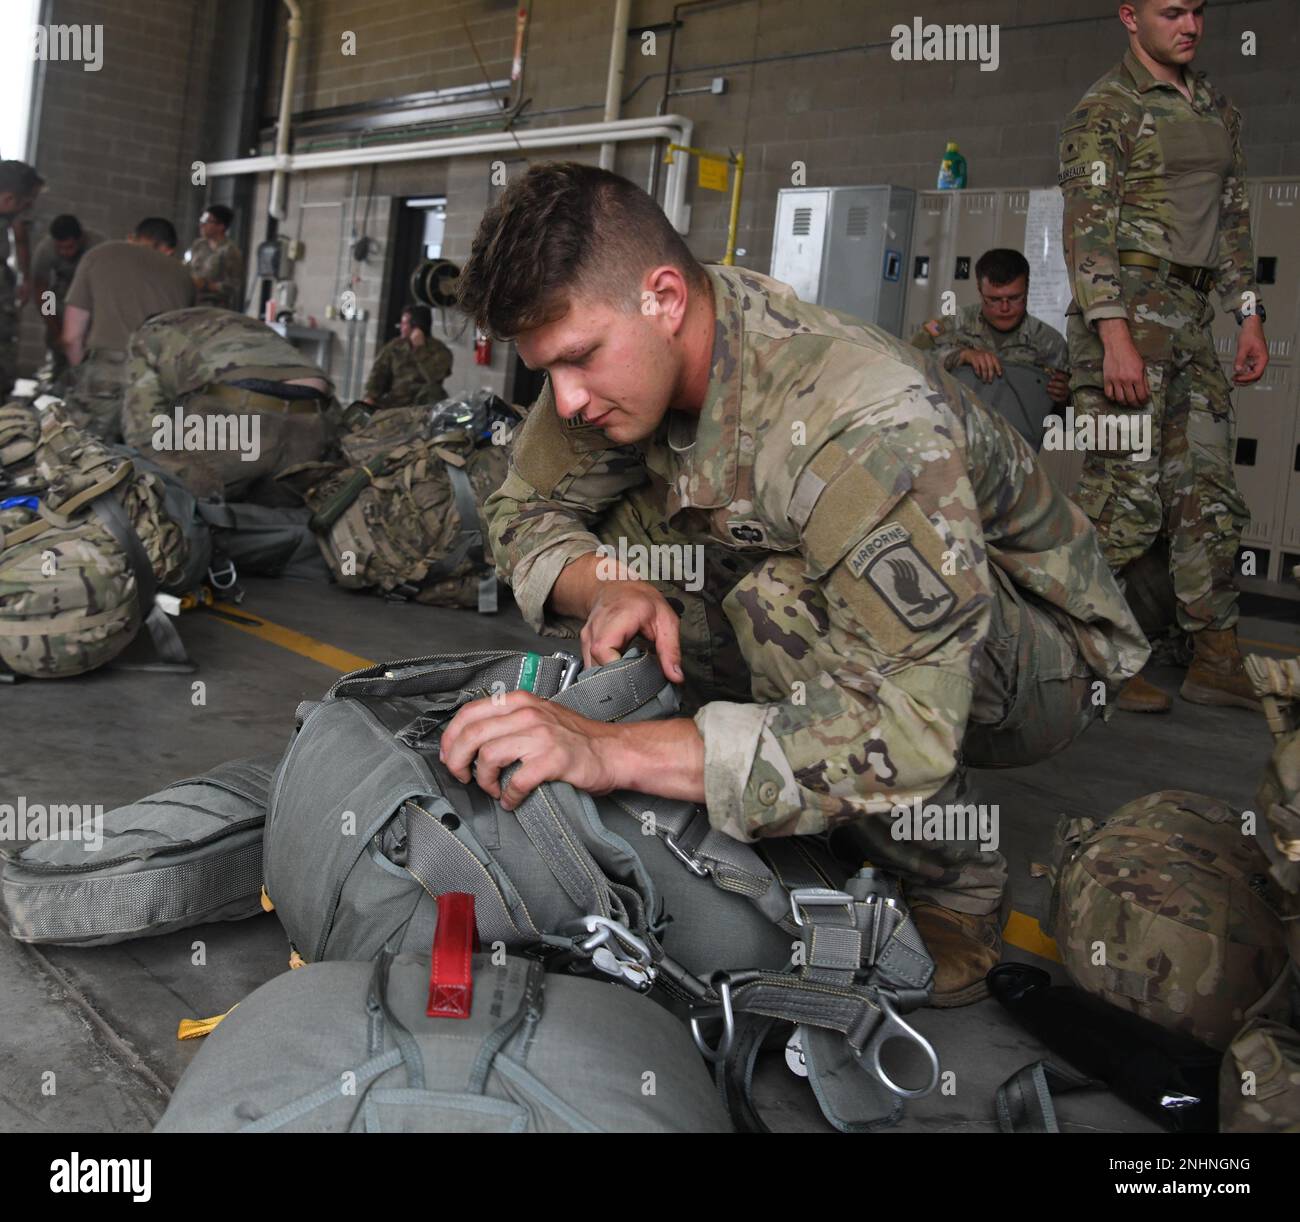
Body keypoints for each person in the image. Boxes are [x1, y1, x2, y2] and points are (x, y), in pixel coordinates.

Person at [440, 162, 1148, 1007]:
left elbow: (910, 719)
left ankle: (955, 877)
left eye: (581, 359)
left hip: (1037, 659)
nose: (569, 399)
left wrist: (610, 753)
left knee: (776, 604)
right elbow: (518, 508)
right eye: (546, 370)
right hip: (882, 618)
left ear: (663, 297)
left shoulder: (851, 418)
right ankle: (771, 781)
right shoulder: (629, 366)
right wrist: (605, 586)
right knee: (647, 544)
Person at [1059, 0, 1268, 715]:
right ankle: (1092, 656)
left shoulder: (1215, 105)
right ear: (1130, 16)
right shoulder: (1107, 108)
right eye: (1172, 11)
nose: (1190, 25)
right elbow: (1087, 234)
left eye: (1198, 11)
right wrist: (1113, 333)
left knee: (1207, 496)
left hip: (1193, 324)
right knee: (1124, 504)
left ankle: (1216, 655)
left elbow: (1234, 221)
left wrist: (1248, 315)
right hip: (1127, 322)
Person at [121, 306, 336, 503]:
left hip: (239, 416)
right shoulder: (225, 323)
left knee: (178, 505)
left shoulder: (147, 334)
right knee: (282, 529)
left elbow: (143, 429)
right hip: (314, 417)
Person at [62, 217, 196, 440]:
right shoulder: (183, 275)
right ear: (168, 249)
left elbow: (71, 337)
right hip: (158, 383)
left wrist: (85, 377)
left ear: (132, 237)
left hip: (104, 377)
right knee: (145, 466)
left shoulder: (99, 255)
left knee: (83, 458)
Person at [910, 248, 1070, 407]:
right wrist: (960, 356)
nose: (1005, 308)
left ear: (1027, 290)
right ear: (980, 291)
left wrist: (1065, 398)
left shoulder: (1051, 343)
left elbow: (1072, 414)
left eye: (1014, 298)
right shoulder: (951, 325)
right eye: (994, 299)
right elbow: (909, 360)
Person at [31, 214, 103, 382]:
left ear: (81, 239)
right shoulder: (46, 249)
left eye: (69, 247)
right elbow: (42, 291)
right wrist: (55, 329)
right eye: (60, 248)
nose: (64, 253)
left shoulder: (98, 247)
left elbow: (105, 290)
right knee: (59, 346)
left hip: (91, 298)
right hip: (60, 296)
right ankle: (58, 377)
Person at [0, 160, 44, 399]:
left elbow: (20, 238)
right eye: (27, 202)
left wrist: (25, 278)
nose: (30, 208)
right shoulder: (49, 253)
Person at [363, 304, 452, 409]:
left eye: (404, 323)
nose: (400, 326)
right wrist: (370, 396)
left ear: (416, 326)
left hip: (423, 407)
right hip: (394, 403)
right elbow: (378, 372)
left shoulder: (439, 350)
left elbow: (433, 378)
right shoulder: (395, 346)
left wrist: (420, 350)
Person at [185, 204, 245, 311]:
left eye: (207, 221)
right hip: (190, 302)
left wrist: (207, 285)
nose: (202, 225)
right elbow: (186, 266)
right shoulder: (198, 245)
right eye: (202, 220)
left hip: (213, 307)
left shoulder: (230, 251)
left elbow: (234, 285)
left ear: (221, 226)